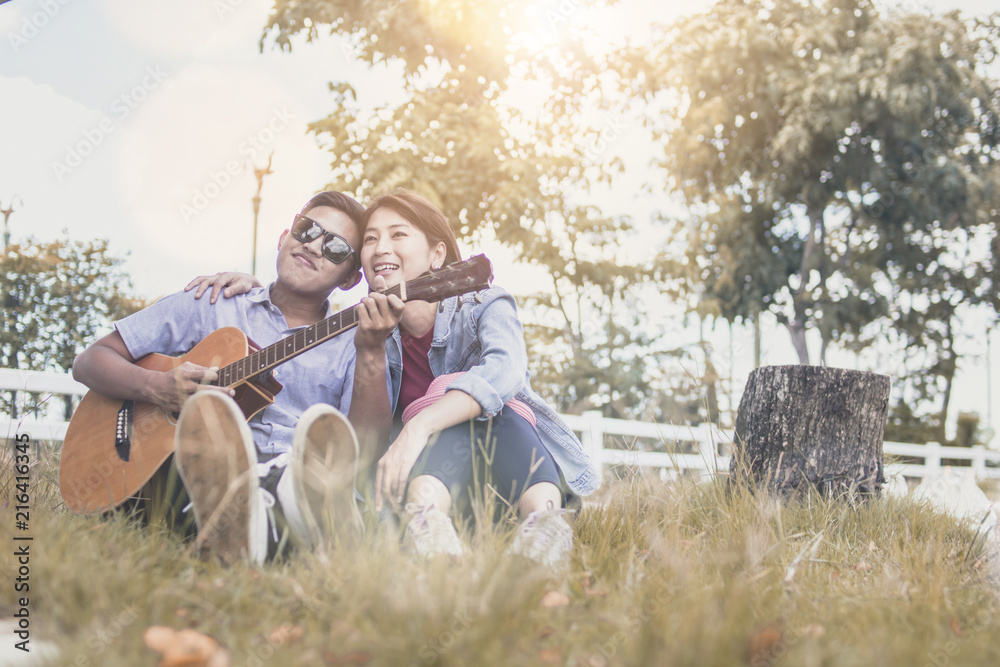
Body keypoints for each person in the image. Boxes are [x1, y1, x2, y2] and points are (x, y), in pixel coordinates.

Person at [194, 189, 601, 567]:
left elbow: (504, 372)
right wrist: (255, 290)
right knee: (450, 409)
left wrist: (418, 427)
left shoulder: (483, 305)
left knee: (485, 405)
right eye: (370, 240)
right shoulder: (361, 332)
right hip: (429, 490)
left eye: (397, 235)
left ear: (437, 254)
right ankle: (430, 532)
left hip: (506, 478)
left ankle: (545, 527)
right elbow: (305, 312)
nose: (380, 248)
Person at [71, 191, 402, 565]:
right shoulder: (213, 300)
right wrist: (156, 387)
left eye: (336, 248)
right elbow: (90, 362)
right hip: (188, 472)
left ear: (349, 279)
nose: (313, 246)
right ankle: (271, 529)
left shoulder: (358, 343)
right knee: (197, 459)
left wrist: (372, 351)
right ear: (284, 237)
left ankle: (264, 516)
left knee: (316, 486)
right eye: (307, 229)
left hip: (295, 478)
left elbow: (364, 450)